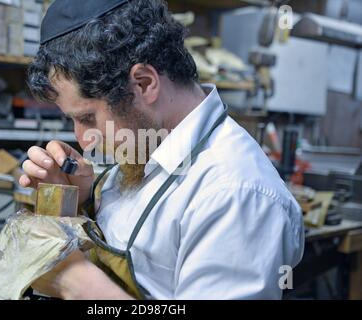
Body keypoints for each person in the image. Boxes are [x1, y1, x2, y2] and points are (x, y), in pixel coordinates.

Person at [20, 0, 304, 299]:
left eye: (87, 117)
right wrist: (85, 197)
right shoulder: (148, 144)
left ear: (143, 83)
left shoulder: (236, 194)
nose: (83, 139)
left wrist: (75, 282)